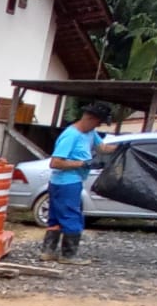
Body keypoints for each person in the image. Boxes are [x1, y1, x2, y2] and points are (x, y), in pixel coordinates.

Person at [42, 102, 117, 264]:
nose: (98, 125)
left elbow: (102, 148)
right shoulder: (71, 136)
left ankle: (48, 252)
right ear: (90, 118)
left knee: (55, 218)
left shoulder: (90, 133)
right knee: (71, 216)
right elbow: (55, 163)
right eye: (98, 122)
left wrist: (122, 148)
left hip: (65, 182)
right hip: (66, 183)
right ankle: (68, 255)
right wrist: (82, 164)